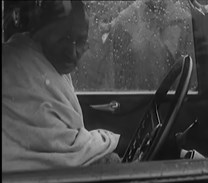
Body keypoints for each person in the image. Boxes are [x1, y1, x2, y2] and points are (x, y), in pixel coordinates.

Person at [2, 0, 121, 172]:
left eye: (81, 41)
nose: (73, 53)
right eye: (63, 38)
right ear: (41, 32)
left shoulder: (51, 64)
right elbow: (63, 147)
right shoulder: (19, 65)